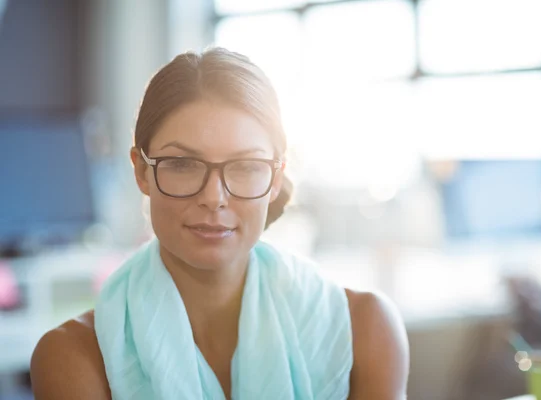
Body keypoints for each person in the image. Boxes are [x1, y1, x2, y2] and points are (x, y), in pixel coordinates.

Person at [29, 48, 410, 399]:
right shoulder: (75, 358)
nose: (214, 197)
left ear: (275, 179)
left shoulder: (365, 330)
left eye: (246, 166)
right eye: (182, 164)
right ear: (142, 171)